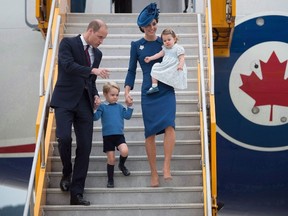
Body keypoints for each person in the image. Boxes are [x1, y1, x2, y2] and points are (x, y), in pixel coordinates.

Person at [50, 19, 109, 205]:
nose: (101, 41)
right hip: (65, 101)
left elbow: (90, 81)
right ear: (90, 31)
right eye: (100, 37)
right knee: (64, 138)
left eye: (103, 38)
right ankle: (67, 171)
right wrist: (93, 70)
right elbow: (67, 66)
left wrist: (96, 95)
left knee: (85, 147)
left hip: (84, 103)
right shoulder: (68, 43)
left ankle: (77, 193)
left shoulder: (97, 54)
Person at [124, 2, 176, 187]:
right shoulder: (136, 46)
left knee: (170, 125)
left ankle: (166, 167)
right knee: (150, 133)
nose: (152, 28)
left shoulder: (166, 42)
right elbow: (131, 71)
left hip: (167, 88)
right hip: (149, 91)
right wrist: (127, 91)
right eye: (147, 25)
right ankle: (153, 173)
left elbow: (178, 56)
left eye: (154, 24)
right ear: (142, 27)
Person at [93, 81, 133, 188]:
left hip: (119, 135)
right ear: (105, 94)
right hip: (108, 137)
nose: (115, 97)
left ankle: (121, 165)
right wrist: (95, 108)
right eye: (112, 95)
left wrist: (129, 106)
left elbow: (127, 116)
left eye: (117, 95)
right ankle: (110, 179)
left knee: (124, 151)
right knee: (111, 159)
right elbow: (95, 117)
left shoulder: (120, 107)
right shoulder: (102, 107)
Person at [144, 28, 187, 94]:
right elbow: (159, 54)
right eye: (164, 41)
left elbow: (182, 58)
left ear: (174, 39)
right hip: (165, 66)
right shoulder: (165, 49)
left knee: (173, 73)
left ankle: (170, 82)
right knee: (155, 67)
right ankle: (154, 86)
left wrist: (180, 65)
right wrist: (150, 58)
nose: (167, 42)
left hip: (174, 67)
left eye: (169, 40)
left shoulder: (178, 48)